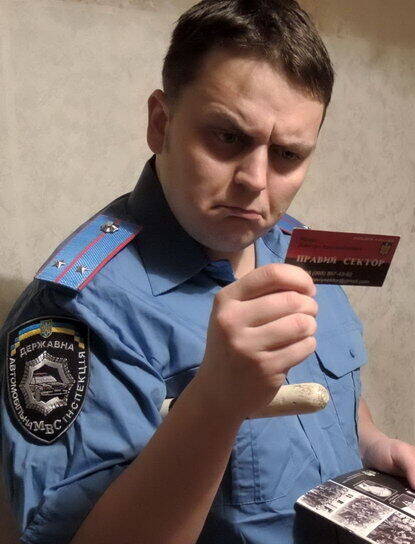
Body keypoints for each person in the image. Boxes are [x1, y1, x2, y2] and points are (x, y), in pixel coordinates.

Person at [1, 1, 414, 543]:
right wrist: (216, 402)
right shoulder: (78, 311)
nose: (256, 181)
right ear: (161, 123)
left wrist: (373, 444)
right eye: (228, 137)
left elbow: (331, 391)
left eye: (288, 154)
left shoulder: (295, 244)